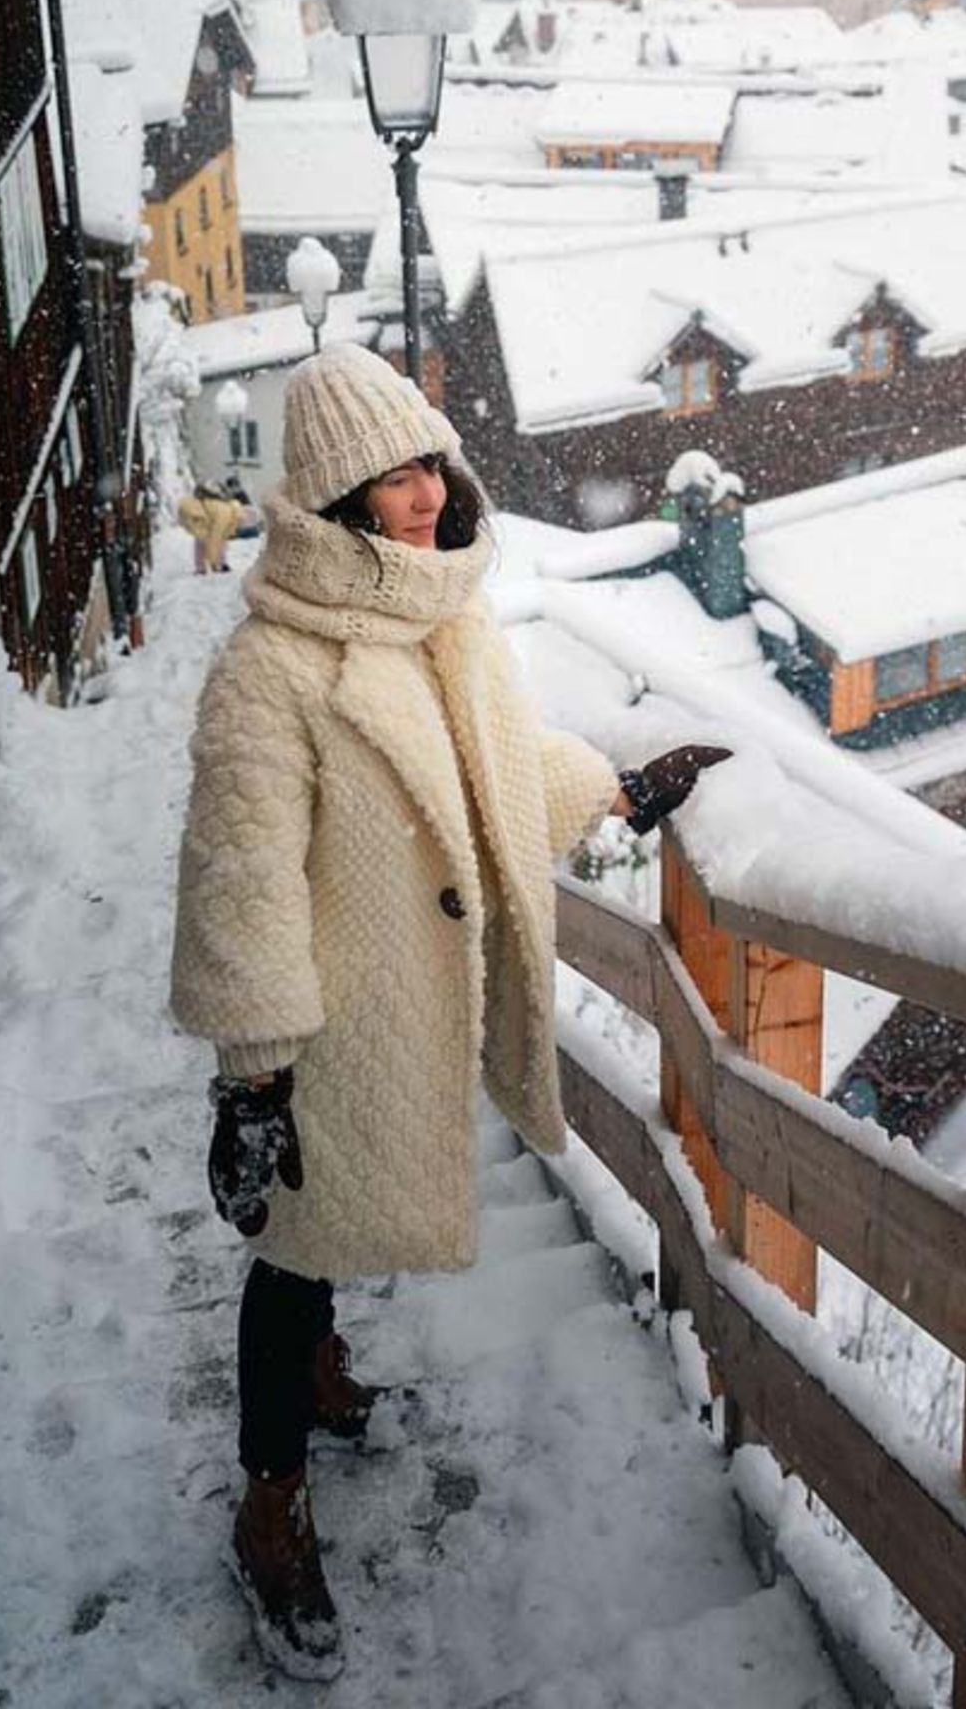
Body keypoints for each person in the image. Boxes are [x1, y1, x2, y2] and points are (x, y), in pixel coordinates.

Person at [169, 344, 726, 1682]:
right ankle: (268, 1503)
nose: (427, 493)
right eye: (394, 475)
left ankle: (315, 1374)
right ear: (334, 496)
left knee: (333, 1230)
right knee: (295, 1247)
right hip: (320, 1023)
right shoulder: (270, 672)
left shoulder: (449, 623)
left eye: (431, 462)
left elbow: (503, 767)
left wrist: (617, 793)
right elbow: (241, 880)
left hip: (408, 1005)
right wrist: (252, 1079)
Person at [177, 481, 248, 575]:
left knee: (202, 542)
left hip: (193, 514)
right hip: (200, 520)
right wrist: (215, 564)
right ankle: (216, 565)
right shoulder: (225, 513)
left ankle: (201, 567)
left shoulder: (226, 508)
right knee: (216, 541)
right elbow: (215, 538)